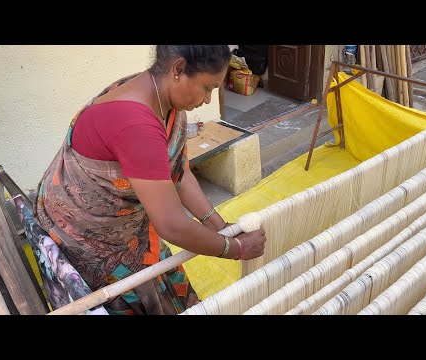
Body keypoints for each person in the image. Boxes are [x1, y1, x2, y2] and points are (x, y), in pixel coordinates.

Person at [33, 45, 266, 315]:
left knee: (162, 276)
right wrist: (234, 248)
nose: (208, 100)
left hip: (127, 230)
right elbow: (170, 225)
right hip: (89, 238)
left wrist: (222, 227)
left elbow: (179, 173)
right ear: (178, 69)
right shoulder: (136, 123)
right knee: (131, 298)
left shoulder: (163, 99)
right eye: (207, 88)